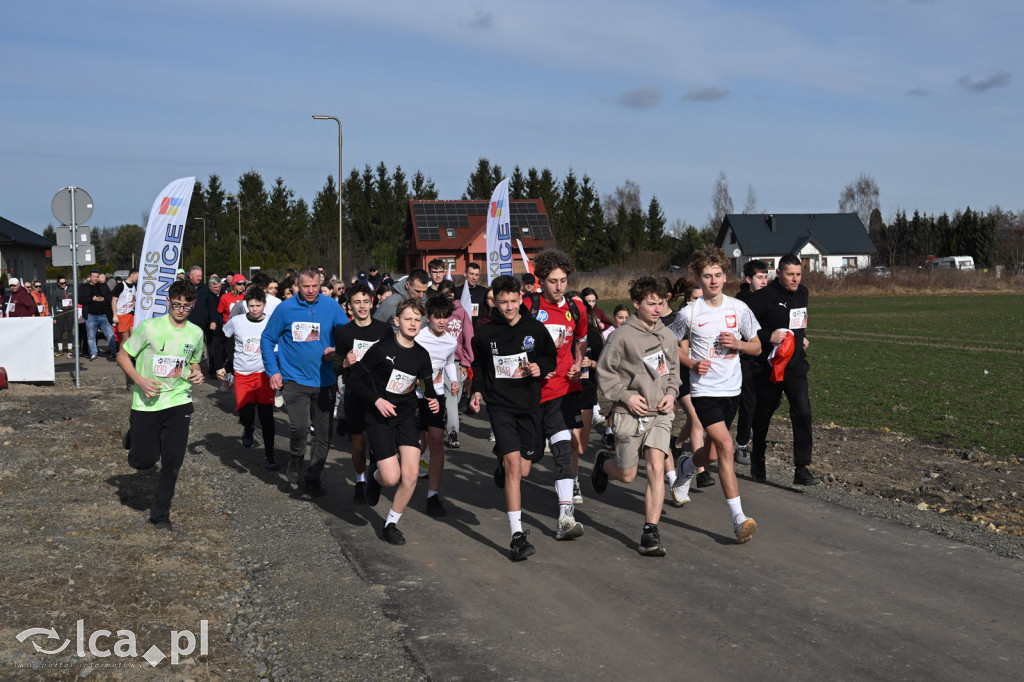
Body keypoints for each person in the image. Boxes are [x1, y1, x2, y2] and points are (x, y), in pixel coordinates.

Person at [668, 247, 761, 544]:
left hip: (732, 389)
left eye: (718, 275)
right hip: (704, 391)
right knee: (726, 447)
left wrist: (739, 344)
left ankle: (685, 466)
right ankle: (738, 519)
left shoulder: (738, 309)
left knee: (709, 452)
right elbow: (670, 345)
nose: (713, 281)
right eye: (707, 276)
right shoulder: (690, 313)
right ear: (698, 278)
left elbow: (757, 346)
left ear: (725, 276)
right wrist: (692, 363)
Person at [469, 275, 558, 561]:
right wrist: (477, 391)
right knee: (513, 464)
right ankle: (517, 536)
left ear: (521, 298)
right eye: (503, 302)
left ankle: (503, 460)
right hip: (500, 405)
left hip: (529, 405)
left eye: (513, 301)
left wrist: (539, 368)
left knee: (524, 469)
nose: (508, 307)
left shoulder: (534, 328)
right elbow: (480, 365)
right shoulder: (484, 333)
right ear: (494, 301)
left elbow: (550, 357)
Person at [592, 276, 679, 556]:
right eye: (651, 303)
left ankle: (650, 532)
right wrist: (626, 396)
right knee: (628, 475)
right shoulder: (622, 336)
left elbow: (674, 372)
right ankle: (604, 464)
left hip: (660, 412)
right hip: (629, 413)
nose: (657, 308)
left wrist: (671, 394)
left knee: (656, 465)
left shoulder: (666, 333)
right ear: (636, 303)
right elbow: (604, 373)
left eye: (661, 303)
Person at [117, 279, 205, 530]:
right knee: (144, 461)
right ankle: (134, 437)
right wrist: (140, 381)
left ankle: (160, 515)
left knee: (172, 462)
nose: (180, 310)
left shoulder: (196, 333)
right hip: (147, 403)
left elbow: (194, 362)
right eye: (176, 304)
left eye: (186, 306)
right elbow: (122, 356)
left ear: (193, 305)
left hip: (179, 401)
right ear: (168, 301)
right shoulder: (149, 327)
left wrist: (196, 373)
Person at [351, 299, 439, 545]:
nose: (413, 323)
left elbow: (427, 386)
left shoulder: (422, 355)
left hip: (408, 417)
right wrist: (377, 400)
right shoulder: (381, 349)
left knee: (410, 475)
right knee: (391, 478)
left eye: (417, 319)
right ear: (397, 321)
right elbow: (356, 380)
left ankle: (391, 524)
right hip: (379, 417)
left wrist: (432, 400)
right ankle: (375, 475)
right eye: (408, 319)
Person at [260, 266, 350, 494]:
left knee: (323, 434)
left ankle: (313, 477)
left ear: (321, 284)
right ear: (297, 285)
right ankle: (296, 458)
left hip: (325, 380)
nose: (310, 291)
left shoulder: (331, 306)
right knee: (299, 427)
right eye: (306, 286)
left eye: (315, 286)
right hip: (294, 380)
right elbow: (267, 338)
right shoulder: (285, 309)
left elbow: (347, 336)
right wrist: (273, 371)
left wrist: (337, 351)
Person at [521, 248, 587, 541]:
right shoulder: (528, 305)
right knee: (528, 461)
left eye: (563, 280)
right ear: (541, 281)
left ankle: (565, 516)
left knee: (563, 450)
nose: (559, 286)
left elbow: (582, 341)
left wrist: (577, 363)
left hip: (562, 391)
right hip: (530, 393)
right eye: (552, 281)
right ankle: (507, 462)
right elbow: (512, 344)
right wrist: (532, 367)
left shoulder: (576, 308)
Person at [747, 254, 819, 486]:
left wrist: (802, 338)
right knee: (763, 416)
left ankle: (802, 468)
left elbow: (797, 323)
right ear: (778, 274)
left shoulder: (803, 293)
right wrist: (769, 336)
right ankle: (757, 457)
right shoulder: (762, 298)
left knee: (803, 413)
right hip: (769, 369)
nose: (795, 279)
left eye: (798, 274)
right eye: (790, 274)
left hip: (796, 368)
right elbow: (744, 328)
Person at [332, 282, 391, 504]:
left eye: (366, 301)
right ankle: (360, 480)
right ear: (350, 305)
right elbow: (336, 366)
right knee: (358, 446)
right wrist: (345, 363)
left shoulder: (383, 330)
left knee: (378, 444)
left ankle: (375, 475)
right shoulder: (343, 332)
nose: (362, 306)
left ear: (372, 302)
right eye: (357, 302)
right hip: (355, 395)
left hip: (378, 395)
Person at [220, 286, 279, 471]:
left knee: (267, 417)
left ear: (264, 305)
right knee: (245, 415)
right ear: (246, 305)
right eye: (251, 305)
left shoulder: (271, 321)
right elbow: (222, 339)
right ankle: (249, 426)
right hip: (242, 374)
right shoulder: (236, 321)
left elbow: (281, 345)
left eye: (258, 305)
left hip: (264, 375)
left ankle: (269, 456)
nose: (254, 309)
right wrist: (222, 364)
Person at [413, 295, 459, 517]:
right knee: (416, 447)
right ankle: (401, 479)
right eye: (437, 317)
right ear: (427, 318)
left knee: (437, 443)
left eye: (445, 317)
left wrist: (455, 380)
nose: (442, 322)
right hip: (413, 397)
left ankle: (433, 495)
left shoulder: (451, 341)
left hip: (437, 397)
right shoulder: (418, 337)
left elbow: (449, 361)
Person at [733, 260, 770, 466]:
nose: (764, 281)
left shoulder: (770, 298)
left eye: (766, 277)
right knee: (748, 402)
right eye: (759, 277)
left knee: (768, 400)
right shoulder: (740, 303)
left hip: (765, 357)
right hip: (744, 358)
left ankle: (754, 428)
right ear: (749, 279)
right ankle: (741, 445)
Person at [436, 280, 473, 448]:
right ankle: (452, 431)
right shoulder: (435, 312)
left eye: (451, 291)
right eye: (444, 291)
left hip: (457, 362)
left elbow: (468, 338)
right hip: (438, 362)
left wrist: (466, 362)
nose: (448, 294)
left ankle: (447, 419)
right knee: (450, 395)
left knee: (455, 398)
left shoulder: (461, 313)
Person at [373, 268, 429, 333]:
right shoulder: (391, 302)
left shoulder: (427, 302)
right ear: (408, 284)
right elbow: (375, 327)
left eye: (424, 291)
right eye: (417, 291)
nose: (421, 295)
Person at [81, 270, 116, 359]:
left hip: (104, 315)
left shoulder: (103, 286)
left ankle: (114, 352)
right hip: (90, 315)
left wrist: (103, 298)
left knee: (110, 334)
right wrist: (92, 299)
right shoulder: (84, 287)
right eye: (94, 277)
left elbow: (110, 298)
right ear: (90, 277)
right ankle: (93, 353)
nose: (96, 278)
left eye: (97, 277)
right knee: (91, 335)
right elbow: (80, 300)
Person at [111, 268, 139, 346]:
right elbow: (113, 301)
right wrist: (115, 315)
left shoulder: (134, 286)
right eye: (137, 276)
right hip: (122, 314)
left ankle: (130, 356)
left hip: (131, 313)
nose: (138, 278)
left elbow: (134, 299)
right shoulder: (120, 286)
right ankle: (121, 355)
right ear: (132, 275)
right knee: (125, 338)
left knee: (133, 336)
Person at [50, 276, 76, 356]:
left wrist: (75, 311)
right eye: (62, 283)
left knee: (69, 330)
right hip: (60, 313)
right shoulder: (56, 292)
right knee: (60, 331)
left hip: (70, 312)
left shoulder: (71, 290)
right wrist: (54, 317)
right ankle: (60, 349)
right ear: (58, 284)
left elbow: (75, 300)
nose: (64, 284)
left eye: (65, 282)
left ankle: (70, 348)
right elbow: (53, 305)